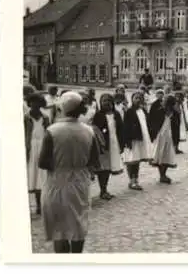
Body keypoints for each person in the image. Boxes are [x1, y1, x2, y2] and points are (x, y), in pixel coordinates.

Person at [38, 91, 101, 253]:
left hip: (57, 182)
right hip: (80, 182)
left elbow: (43, 162)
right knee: (78, 225)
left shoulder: (52, 131)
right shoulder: (88, 131)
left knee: (60, 229)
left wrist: (60, 162)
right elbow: (95, 161)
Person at [92, 94, 125, 200]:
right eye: (103, 101)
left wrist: (122, 144)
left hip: (114, 143)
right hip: (104, 145)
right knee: (103, 168)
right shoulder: (98, 115)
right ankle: (103, 190)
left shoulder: (116, 114)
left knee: (109, 167)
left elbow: (120, 129)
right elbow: (96, 131)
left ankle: (104, 189)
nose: (106, 103)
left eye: (108, 100)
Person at [24, 92, 50, 215]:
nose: (35, 105)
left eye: (38, 103)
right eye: (33, 102)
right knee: (30, 175)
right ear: (29, 103)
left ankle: (40, 204)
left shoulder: (45, 118)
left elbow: (48, 134)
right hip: (30, 147)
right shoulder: (25, 117)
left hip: (42, 146)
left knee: (41, 176)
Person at [122, 92, 153, 190]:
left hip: (141, 138)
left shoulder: (143, 110)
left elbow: (146, 123)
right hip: (133, 139)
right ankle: (132, 180)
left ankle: (136, 179)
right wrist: (128, 140)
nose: (138, 100)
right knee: (132, 160)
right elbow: (126, 127)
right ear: (132, 99)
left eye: (140, 98)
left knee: (137, 160)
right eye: (136, 98)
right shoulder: (129, 112)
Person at [149, 95, 177, 184]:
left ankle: (163, 174)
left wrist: (176, 140)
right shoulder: (159, 111)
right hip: (160, 135)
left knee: (167, 155)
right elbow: (152, 123)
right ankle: (162, 175)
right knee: (159, 154)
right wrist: (153, 134)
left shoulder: (175, 113)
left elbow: (177, 127)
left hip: (169, 136)